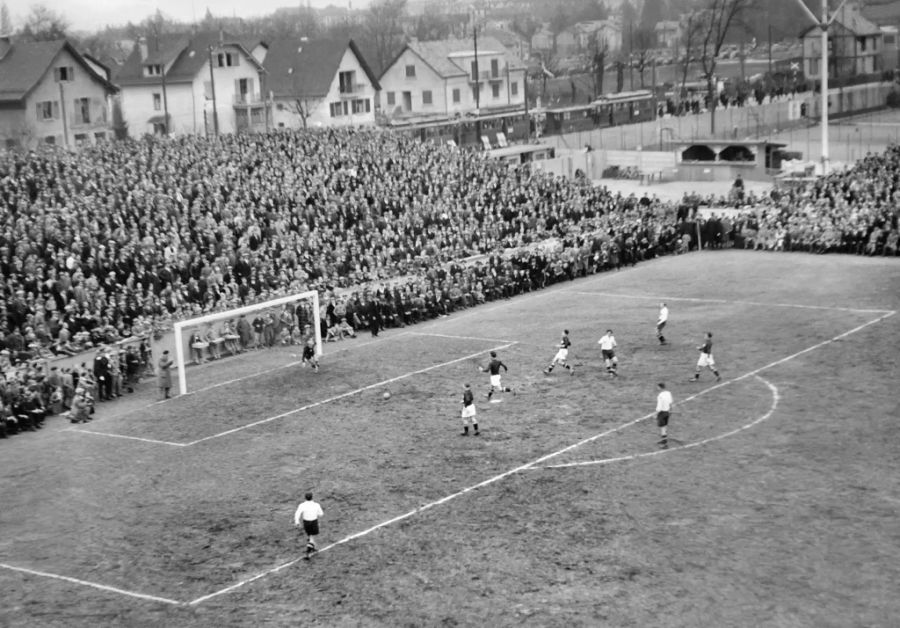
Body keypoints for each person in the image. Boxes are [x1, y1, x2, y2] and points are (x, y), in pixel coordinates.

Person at [293, 492, 324, 558]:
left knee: (309, 535)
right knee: (312, 537)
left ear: (305, 498)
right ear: (312, 497)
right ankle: (308, 551)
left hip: (306, 522)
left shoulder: (302, 505)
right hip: (313, 522)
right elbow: (321, 514)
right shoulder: (316, 505)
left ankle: (312, 548)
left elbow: (297, 514)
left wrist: (297, 522)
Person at [656, 382, 674, 448]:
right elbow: (671, 402)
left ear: (660, 387)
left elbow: (659, 407)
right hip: (667, 412)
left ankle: (665, 444)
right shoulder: (669, 393)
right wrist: (671, 410)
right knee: (665, 426)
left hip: (662, 413)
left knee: (662, 428)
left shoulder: (660, 396)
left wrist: (655, 414)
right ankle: (664, 440)